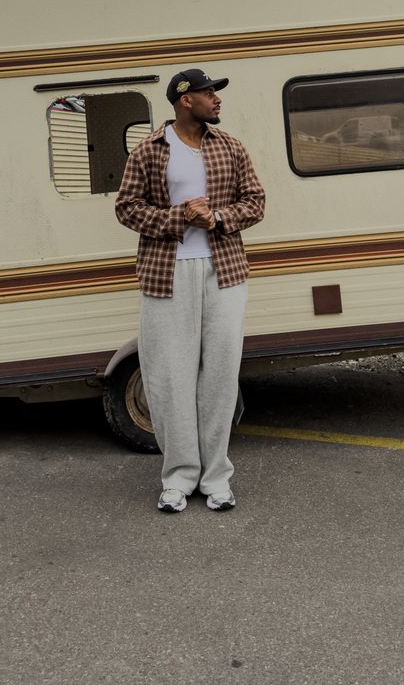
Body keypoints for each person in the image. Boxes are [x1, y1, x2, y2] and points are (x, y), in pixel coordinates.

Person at [115, 67, 265, 513]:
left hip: (224, 272)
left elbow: (255, 202)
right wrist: (178, 217)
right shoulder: (149, 150)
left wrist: (215, 218)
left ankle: (216, 478)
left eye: (216, 93)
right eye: (209, 93)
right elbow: (127, 208)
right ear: (186, 100)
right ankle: (178, 478)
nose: (216, 99)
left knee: (219, 375)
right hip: (167, 274)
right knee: (169, 377)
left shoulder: (230, 147)